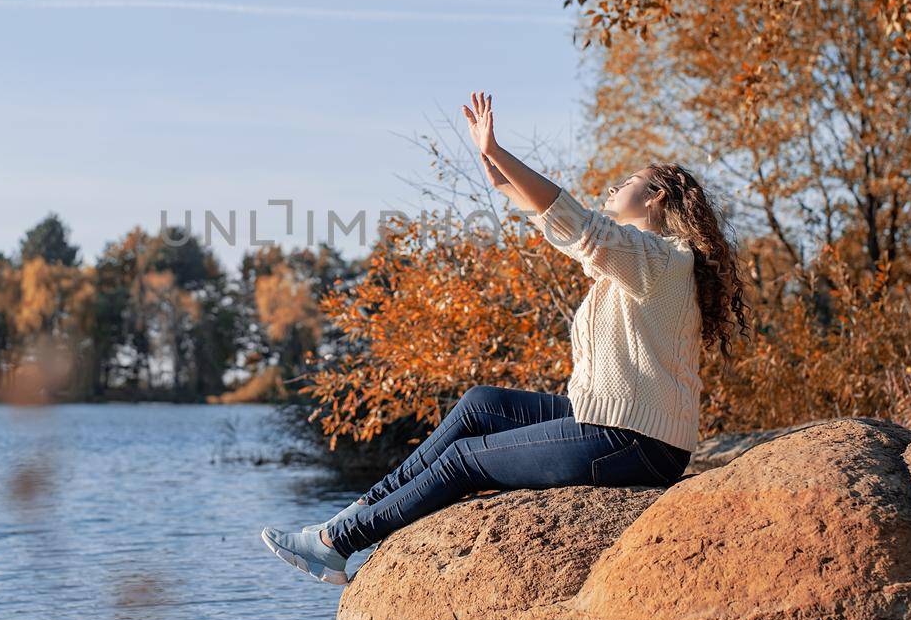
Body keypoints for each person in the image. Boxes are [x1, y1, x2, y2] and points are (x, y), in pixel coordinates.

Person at [260, 91, 748, 585]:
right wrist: (504, 183)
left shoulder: (664, 260)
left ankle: (336, 544)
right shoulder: (649, 261)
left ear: (656, 197)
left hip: (637, 441)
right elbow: (573, 230)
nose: (611, 189)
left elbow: (579, 225)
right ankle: (354, 512)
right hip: (614, 421)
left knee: (465, 461)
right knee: (480, 404)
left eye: (627, 183)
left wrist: (499, 153)